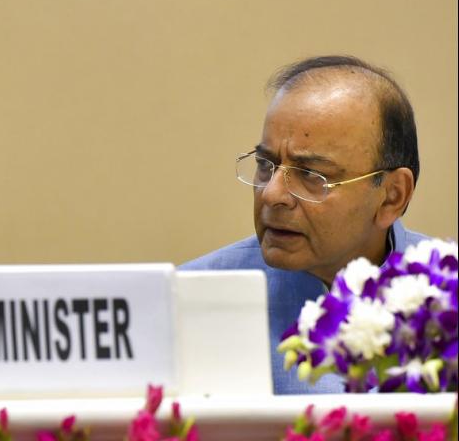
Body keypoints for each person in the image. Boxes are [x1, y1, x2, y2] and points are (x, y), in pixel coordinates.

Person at [179, 55, 426, 394]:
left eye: (311, 175)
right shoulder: (188, 303)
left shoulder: (444, 298)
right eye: (266, 164)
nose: (272, 194)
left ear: (392, 197)